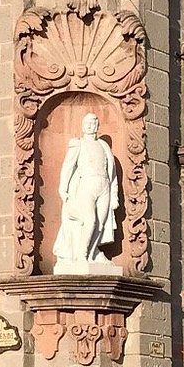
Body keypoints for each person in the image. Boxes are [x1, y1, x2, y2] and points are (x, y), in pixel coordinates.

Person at [52, 112, 121, 274]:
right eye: (88, 123)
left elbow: (113, 175)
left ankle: (91, 254)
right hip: (87, 184)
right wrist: (63, 188)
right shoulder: (78, 143)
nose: (91, 125)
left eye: (94, 123)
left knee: (101, 224)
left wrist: (114, 195)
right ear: (83, 126)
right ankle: (81, 255)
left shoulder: (104, 146)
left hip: (104, 186)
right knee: (89, 221)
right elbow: (68, 167)